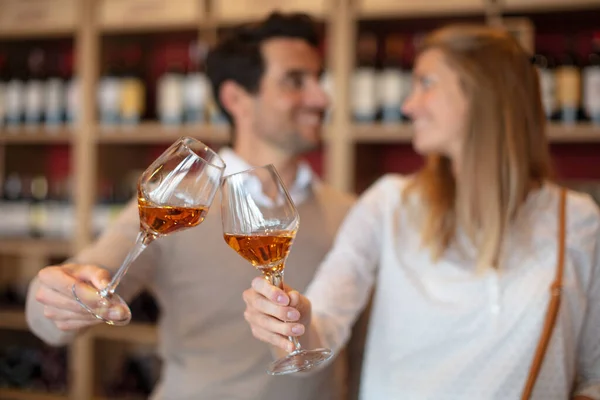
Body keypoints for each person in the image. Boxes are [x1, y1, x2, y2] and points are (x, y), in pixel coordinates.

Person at [243, 24, 600, 399]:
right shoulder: (389, 204)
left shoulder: (577, 221)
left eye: (426, 83)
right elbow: (323, 329)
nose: (407, 105)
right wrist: (291, 324)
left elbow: (593, 373)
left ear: (486, 94)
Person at [25, 12, 358, 400]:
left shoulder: (350, 212)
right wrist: (50, 297)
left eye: (319, 79)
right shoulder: (181, 205)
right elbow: (58, 307)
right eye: (296, 81)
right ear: (236, 98)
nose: (322, 98)